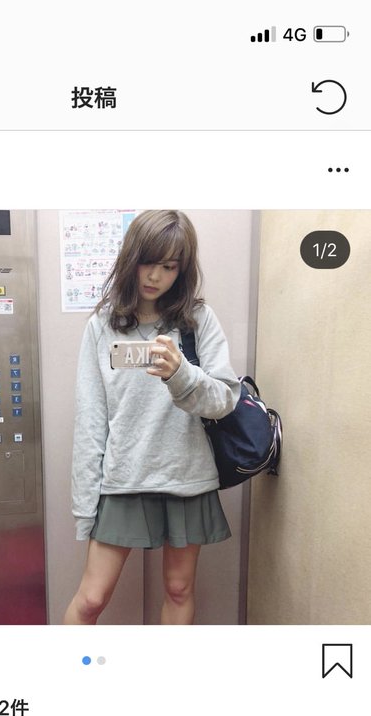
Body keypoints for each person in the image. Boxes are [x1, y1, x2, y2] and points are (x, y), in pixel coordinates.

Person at [64, 210, 240, 625]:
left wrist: (181, 374)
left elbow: (225, 399)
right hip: (123, 480)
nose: (155, 276)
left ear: (182, 270)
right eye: (148, 261)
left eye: (169, 266)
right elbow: (90, 421)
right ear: (131, 258)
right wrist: (85, 508)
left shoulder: (197, 320)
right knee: (91, 599)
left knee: (179, 590)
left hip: (186, 477)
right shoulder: (102, 326)